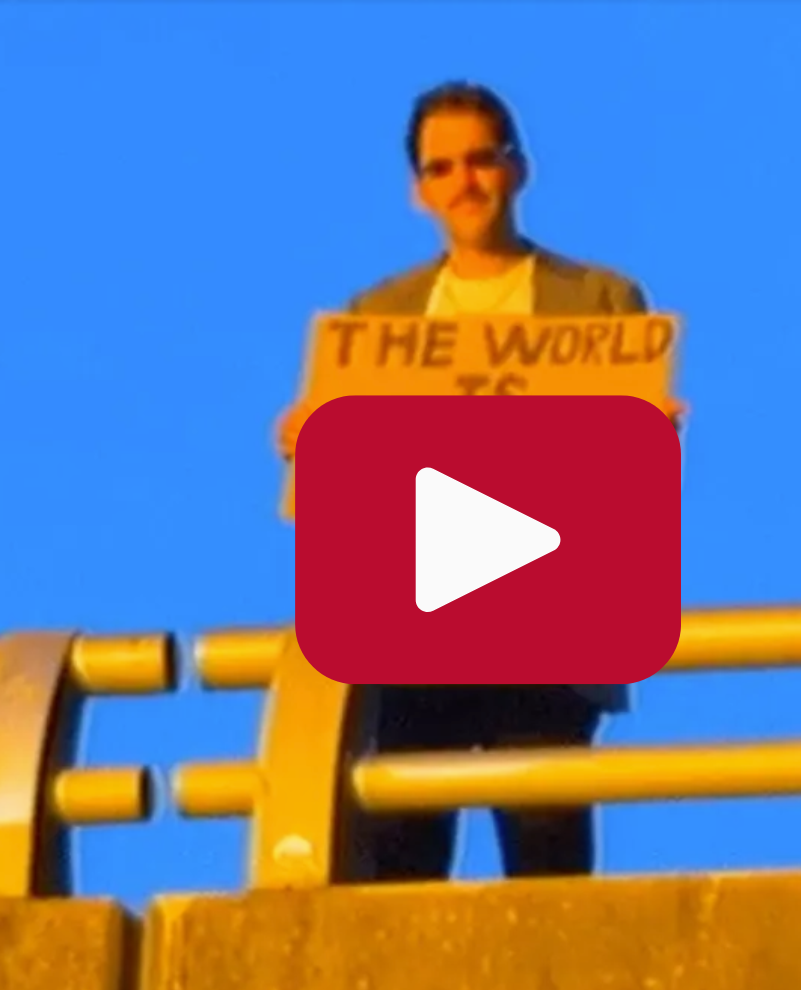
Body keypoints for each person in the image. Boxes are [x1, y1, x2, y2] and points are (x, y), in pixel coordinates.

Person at [277, 81, 676, 880]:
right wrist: (307, 447)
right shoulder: (378, 316)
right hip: (413, 634)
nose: (464, 182)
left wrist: (648, 435)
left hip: (551, 631)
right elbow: (337, 504)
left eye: (480, 160)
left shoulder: (600, 300)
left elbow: (632, 490)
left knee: (548, 868)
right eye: (442, 168)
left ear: (518, 169)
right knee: (403, 869)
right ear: (419, 191)